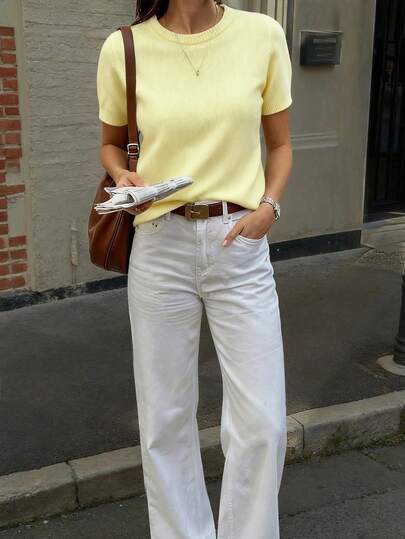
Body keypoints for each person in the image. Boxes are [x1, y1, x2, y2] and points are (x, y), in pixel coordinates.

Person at [96, 0, 293, 537]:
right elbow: (111, 144)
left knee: (263, 423)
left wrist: (269, 207)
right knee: (165, 419)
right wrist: (122, 175)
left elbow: (280, 145)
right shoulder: (125, 47)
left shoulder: (262, 34)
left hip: (239, 242)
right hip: (161, 244)